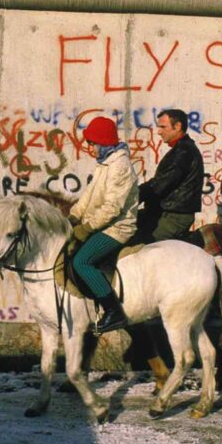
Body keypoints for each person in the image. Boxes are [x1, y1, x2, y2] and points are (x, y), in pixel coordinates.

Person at [67, 116, 139, 334]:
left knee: (82, 261)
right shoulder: (104, 163)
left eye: (92, 143)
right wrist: (73, 217)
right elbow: (89, 196)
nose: (89, 147)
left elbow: (112, 208)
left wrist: (85, 229)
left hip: (117, 227)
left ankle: (113, 311)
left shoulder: (120, 166)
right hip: (102, 224)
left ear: (103, 142)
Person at [134, 108, 204, 244]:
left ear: (177, 126)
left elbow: (160, 185)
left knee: (145, 247)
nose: (159, 132)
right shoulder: (180, 149)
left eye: (163, 127)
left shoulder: (183, 152)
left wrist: (133, 196)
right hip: (164, 212)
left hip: (173, 216)